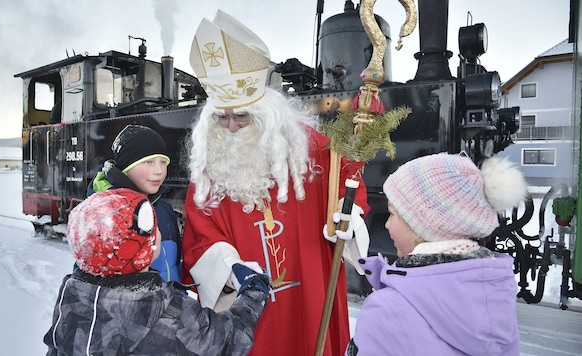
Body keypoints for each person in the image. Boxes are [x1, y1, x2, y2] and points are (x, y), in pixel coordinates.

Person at [182, 10, 370, 356]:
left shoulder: (311, 148)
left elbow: (348, 190)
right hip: (247, 307)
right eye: (222, 117)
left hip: (309, 300)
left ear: (267, 113)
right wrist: (229, 268)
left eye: (241, 116)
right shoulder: (210, 167)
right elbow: (200, 236)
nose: (231, 126)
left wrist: (347, 221)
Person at [44, 188, 270, 355]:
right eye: (155, 228)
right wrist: (253, 291)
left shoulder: (71, 299)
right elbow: (228, 341)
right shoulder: (170, 313)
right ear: (145, 248)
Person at [347, 152, 526, 355]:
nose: (386, 224)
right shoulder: (496, 295)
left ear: (424, 227)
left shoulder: (387, 310)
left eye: (393, 214)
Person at [87, 124, 182, 283]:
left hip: (171, 302)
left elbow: (173, 264)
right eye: (149, 162)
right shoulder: (104, 213)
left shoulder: (163, 208)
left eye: (163, 162)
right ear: (126, 167)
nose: (159, 170)